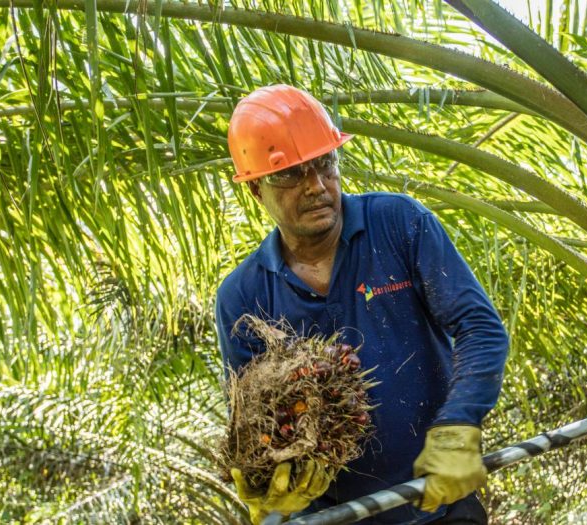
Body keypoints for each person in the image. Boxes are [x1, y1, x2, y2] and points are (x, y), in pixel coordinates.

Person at [215, 84, 509, 524]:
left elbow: (479, 327)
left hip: (440, 506)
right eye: (292, 174)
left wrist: (459, 423)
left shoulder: (399, 224)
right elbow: (257, 426)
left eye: (325, 164)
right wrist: (267, 487)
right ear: (257, 190)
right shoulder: (242, 297)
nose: (316, 186)